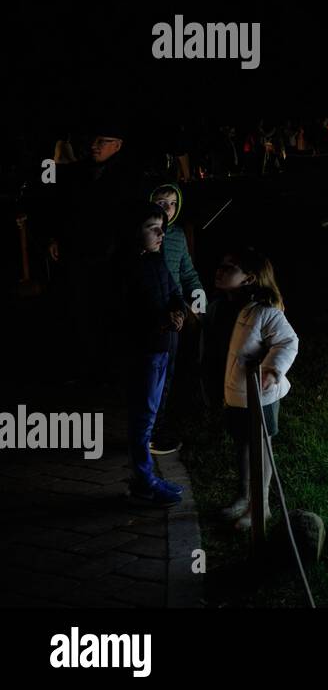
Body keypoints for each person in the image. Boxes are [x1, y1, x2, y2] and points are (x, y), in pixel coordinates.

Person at [44, 126, 146, 384]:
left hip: (111, 257)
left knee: (107, 313)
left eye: (103, 141)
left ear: (118, 144)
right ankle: (84, 368)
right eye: (95, 140)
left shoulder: (126, 176)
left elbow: (130, 217)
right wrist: (56, 237)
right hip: (80, 253)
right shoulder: (81, 171)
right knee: (80, 311)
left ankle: (107, 371)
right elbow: (64, 205)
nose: (95, 145)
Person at [210, 247, 299, 532]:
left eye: (229, 267)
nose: (220, 271)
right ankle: (245, 496)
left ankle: (262, 507)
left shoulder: (264, 311)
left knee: (260, 447)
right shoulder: (222, 306)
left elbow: (287, 342)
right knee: (241, 444)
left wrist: (273, 369)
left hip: (260, 395)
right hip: (235, 394)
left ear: (249, 278)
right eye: (221, 265)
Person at [118, 202, 187, 505]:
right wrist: (160, 321)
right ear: (136, 231)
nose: (160, 233)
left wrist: (178, 312)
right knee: (142, 417)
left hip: (163, 348)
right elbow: (122, 314)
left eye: (162, 227)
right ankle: (143, 480)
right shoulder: (124, 268)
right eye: (152, 227)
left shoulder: (156, 260)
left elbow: (173, 292)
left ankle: (146, 478)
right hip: (144, 351)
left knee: (151, 412)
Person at [146, 184, 204, 455]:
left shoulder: (178, 235)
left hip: (178, 310)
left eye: (171, 203)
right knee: (156, 373)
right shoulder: (145, 234)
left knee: (174, 369)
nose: (166, 207)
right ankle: (152, 431)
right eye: (160, 202)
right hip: (156, 311)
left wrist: (198, 298)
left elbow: (187, 272)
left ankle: (166, 420)